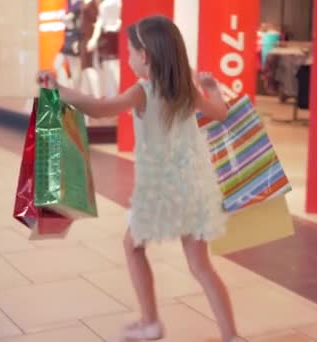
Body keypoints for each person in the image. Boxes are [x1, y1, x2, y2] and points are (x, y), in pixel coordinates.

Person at [38, 15, 244, 342]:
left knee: (132, 247)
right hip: (193, 185)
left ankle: (150, 322)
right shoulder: (187, 90)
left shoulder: (144, 91)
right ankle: (231, 335)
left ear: (145, 56)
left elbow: (100, 108)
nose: (130, 59)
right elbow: (220, 112)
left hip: (159, 189)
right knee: (200, 265)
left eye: (131, 52)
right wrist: (212, 88)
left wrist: (59, 89)